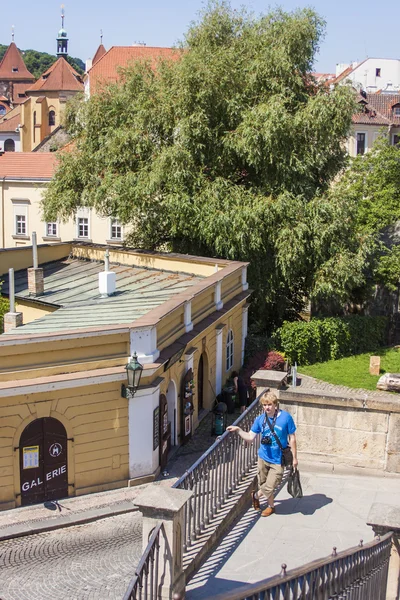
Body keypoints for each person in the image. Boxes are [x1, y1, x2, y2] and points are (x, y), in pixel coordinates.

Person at [227, 390, 297, 517]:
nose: (267, 408)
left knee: (272, 483)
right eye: (264, 405)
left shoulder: (286, 418)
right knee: (264, 483)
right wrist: (238, 430)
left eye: (269, 404)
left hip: (278, 458)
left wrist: (295, 458)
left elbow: (292, 438)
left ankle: (255, 495)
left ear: (275, 404)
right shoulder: (260, 420)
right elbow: (249, 437)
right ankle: (271, 506)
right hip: (263, 457)